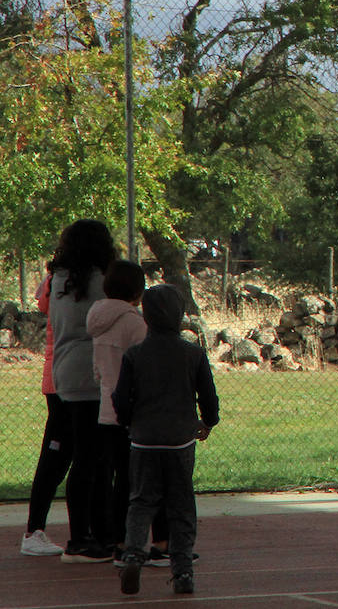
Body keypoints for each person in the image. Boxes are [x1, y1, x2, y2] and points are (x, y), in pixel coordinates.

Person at [113, 284, 219, 596]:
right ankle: (183, 571)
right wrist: (207, 422)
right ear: (180, 315)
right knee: (181, 504)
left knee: (142, 501)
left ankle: (133, 553)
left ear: (145, 316)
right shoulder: (193, 353)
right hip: (180, 440)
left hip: (144, 439)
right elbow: (208, 397)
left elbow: (121, 399)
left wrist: (129, 422)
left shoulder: (135, 355)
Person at [48, 219, 118, 562]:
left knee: (88, 456)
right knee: (93, 459)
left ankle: (94, 534)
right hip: (92, 374)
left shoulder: (58, 280)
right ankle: (82, 539)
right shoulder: (100, 282)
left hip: (65, 373)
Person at [87, 260, 151, 558]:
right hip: (129, 411)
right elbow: (142, 367)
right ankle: (126, 538)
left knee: (105, 475)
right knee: (130, 479)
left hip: (104, 408)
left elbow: (98, 371)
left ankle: (105, 534)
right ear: (138, 290)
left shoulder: (96, 318)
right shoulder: (134, 322)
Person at [20, 270, 72, 556]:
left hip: (56, 377)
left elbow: (41, 302)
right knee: (57, 457)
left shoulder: (53, 280)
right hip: (66, 379)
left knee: (59, 456)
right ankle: (33, 530)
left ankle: (35, 528)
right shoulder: (74, 282)